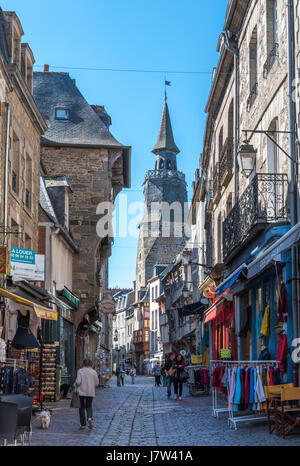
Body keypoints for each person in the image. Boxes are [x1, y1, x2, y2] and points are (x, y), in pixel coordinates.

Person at [75, 358, 99, 430]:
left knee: (81, 407)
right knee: (89, 405)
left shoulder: (80, 371)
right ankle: (89, 417)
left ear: (83, 364)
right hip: (90, 391)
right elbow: (97, 383)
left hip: (81, 392)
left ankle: (83, 424)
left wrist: (75, 384)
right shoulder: (94, 372)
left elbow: (78, 382)